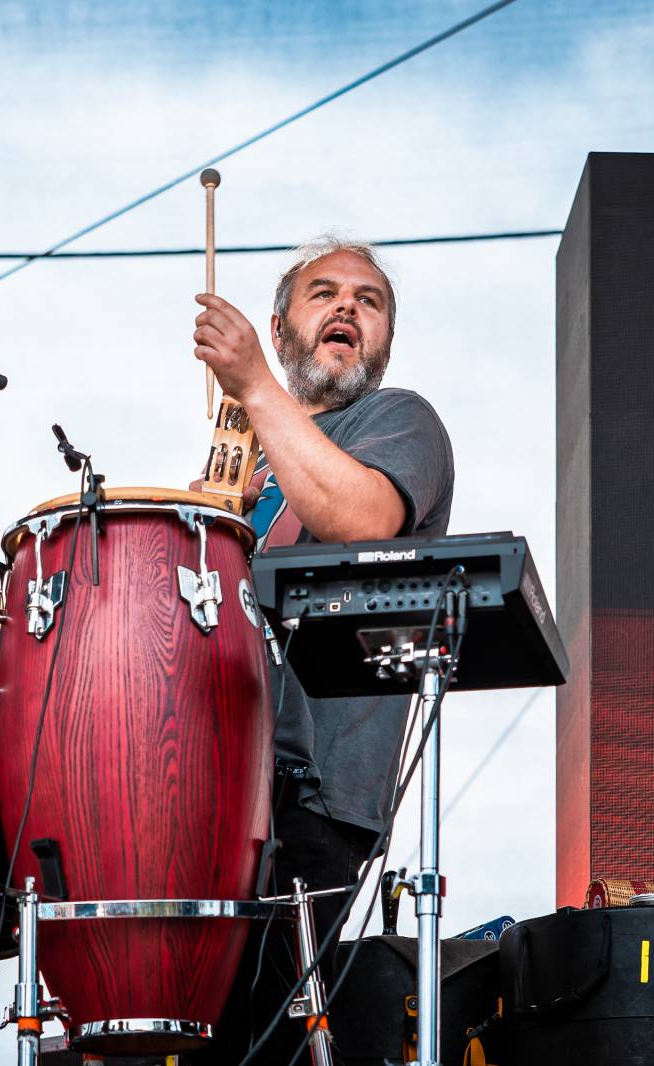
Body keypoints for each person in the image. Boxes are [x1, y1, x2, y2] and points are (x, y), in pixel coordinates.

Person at [190, 236, 455, 1063]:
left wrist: (255, 387)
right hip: (205, 785)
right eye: (324, 293)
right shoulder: (238, 462)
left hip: (309, 797)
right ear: (280, 325)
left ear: (384, 341)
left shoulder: (396, 419)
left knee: (267, 1039)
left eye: (368, 301)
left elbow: (364, 519)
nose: (347, 308)